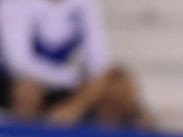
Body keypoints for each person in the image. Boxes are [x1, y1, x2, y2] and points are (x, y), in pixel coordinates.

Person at [0, 0, 142, 127]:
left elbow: (99, 63)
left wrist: (76, 104)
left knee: (119, 84)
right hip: (16, 82)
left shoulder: (84, 5)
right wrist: (70, 78)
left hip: (67, 86)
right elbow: (19, 64)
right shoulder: (15, 4)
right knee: (28, 90)